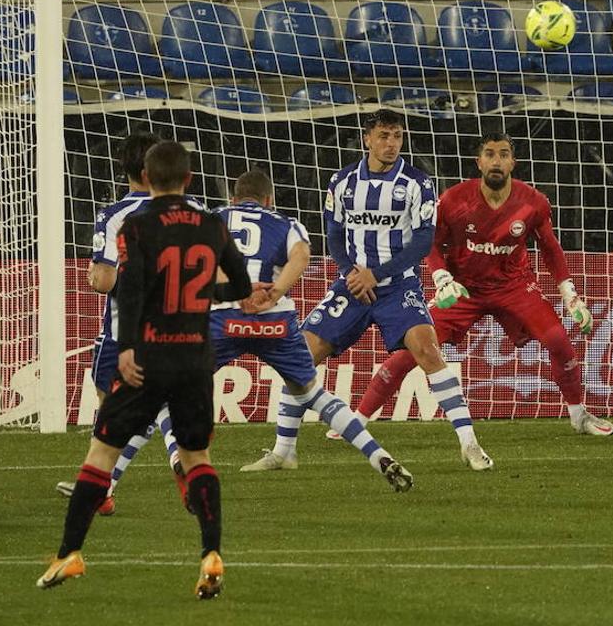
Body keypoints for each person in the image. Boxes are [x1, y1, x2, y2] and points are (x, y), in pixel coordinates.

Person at [38, 141, 251, 599]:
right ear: (189, 180)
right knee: (199, 458)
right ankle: (210, 553)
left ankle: (69, 554)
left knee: (101, 454)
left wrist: (130, 347)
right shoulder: (212, 223)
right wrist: (200, 299)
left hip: (148, 355)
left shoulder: (136, 225)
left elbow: (128, 290)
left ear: (147, 179)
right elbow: (242, 284)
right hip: (195, 356)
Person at [354, 132, 613, 437]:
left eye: (504, 154)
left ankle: (578, 415)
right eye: (490, 154)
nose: (497, 161)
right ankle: (358, 418)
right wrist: (442, 278)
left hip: (514, 287)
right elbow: (430, 243)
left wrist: (570, 295)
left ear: (513, 163)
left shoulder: (533, 203)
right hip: (463, 290)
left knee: (559, 342)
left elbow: (550, 249)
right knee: (411, 349)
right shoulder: (454, 200)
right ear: (479, 162)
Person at [302, 108, 494, 471]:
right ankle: (284, 450)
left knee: (427, 349)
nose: (391, 143)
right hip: (353, 286)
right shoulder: (341, 182)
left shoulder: (418, 183)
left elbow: (423, 242)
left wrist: (376, 274)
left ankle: (469, 443)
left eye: (397, 136)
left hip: (397, 286)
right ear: (367, 139)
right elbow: (334, 235)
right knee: (301, 356)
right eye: (384, 136)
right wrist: (351, 274)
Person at [212, 169, 412, 491]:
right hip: (275, 321)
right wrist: (273, 293)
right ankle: (378, 456)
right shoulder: (287, 224)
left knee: (176, 386)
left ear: (232, 199)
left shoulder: (214, 218)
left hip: (225, 318)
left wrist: (239, 290)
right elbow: (302, 256)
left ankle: (163, 465)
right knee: (312, 393)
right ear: (269, 200)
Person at [54, 131, 184, 512]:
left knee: (110, 406)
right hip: (177, 327)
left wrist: (95, 276)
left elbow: (106, 280)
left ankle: (100, 487)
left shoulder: (115, 216)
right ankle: (177, 454)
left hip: (124, 332)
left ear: (131, 170)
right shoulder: (189, 211)